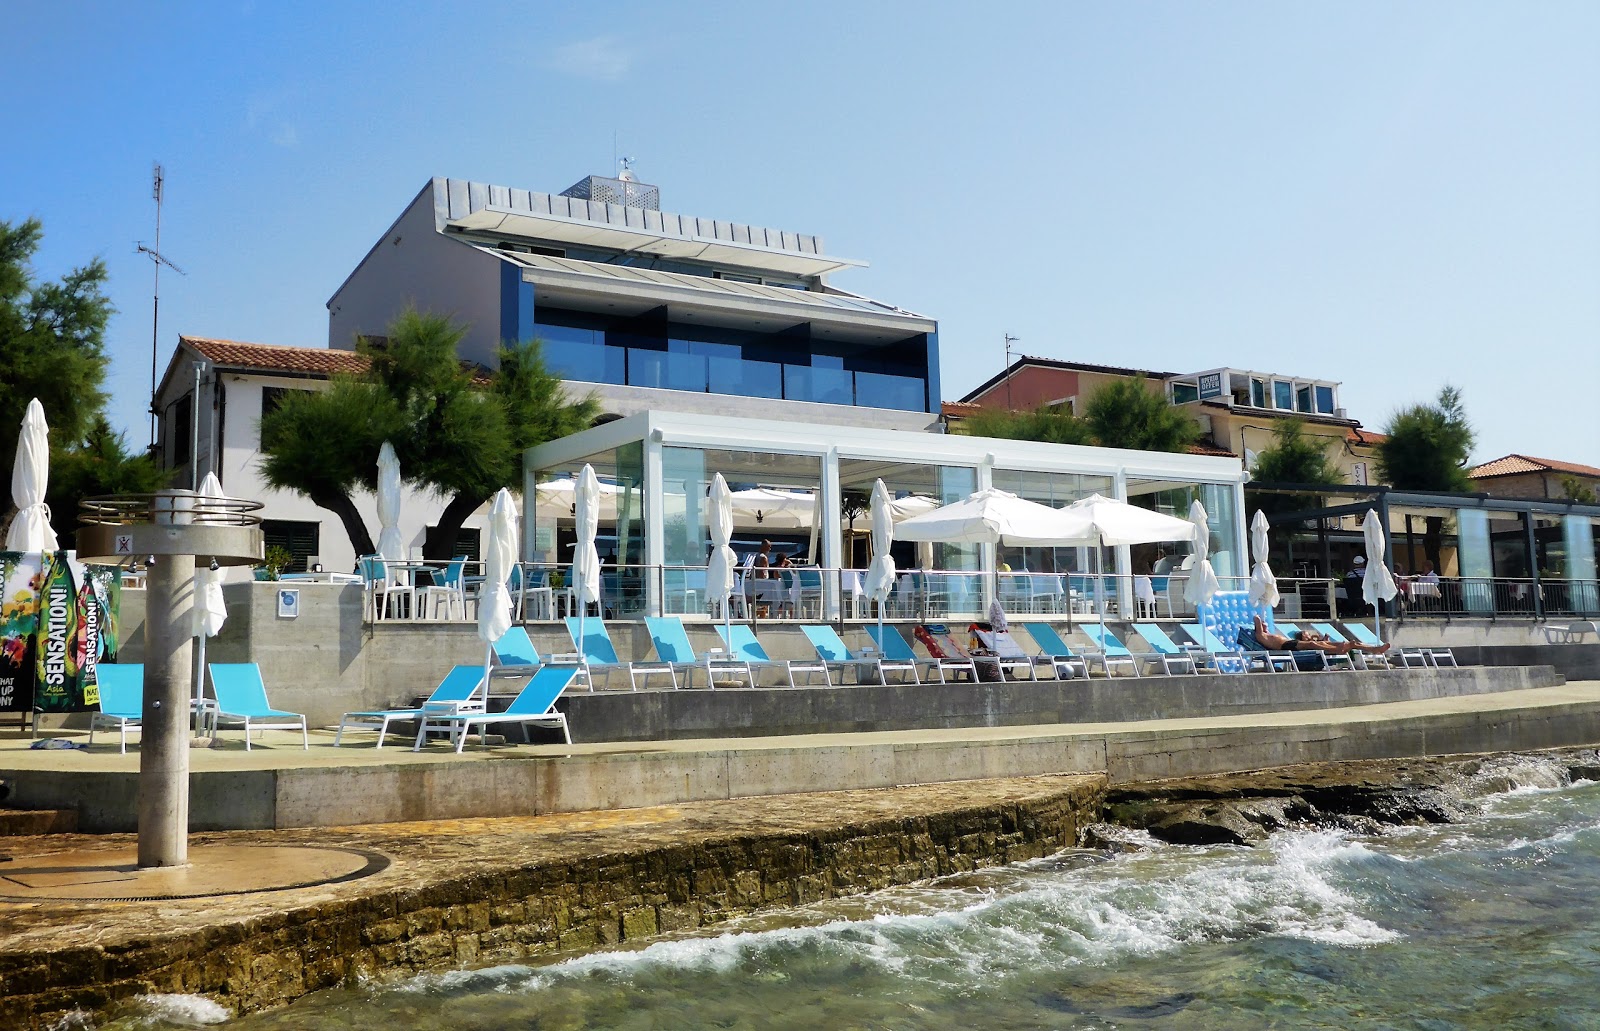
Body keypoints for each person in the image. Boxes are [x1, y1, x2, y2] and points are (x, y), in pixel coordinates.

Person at [1249, 615, 1390, 655]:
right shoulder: (1261, 636)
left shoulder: (1269, 634)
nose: (1265, 624)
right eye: (1263, 624)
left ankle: (1374, 649)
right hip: (1286, 646)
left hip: (1291, 643)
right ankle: (1337, 650)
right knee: (1313, 644)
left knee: (1352, 642)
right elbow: (1256, 619)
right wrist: (1257, 619)